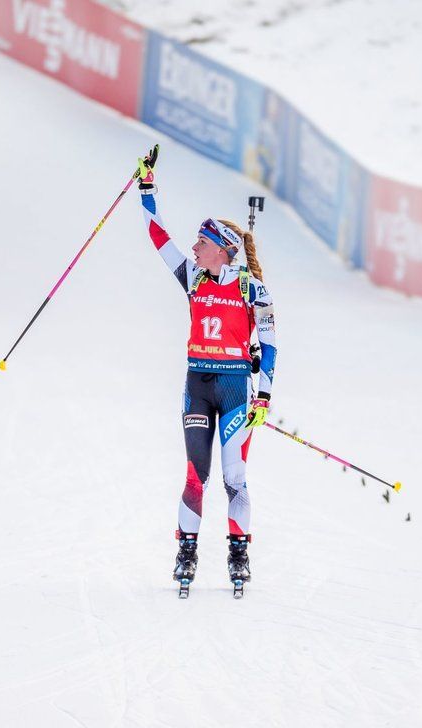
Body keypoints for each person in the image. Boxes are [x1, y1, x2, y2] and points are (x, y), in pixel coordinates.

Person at [136, 147, 277, 594]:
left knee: (235, 479)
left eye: (201, 243)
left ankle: (239, 556)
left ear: (221, 249)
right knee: (196, 474)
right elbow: (160, 237)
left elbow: (270, 342)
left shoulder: (251, 286)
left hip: (236, 388)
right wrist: (146, 188)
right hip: (197, 384)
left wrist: (264, 394)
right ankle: (187, 552)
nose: (193, 248)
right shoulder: (193, 279)